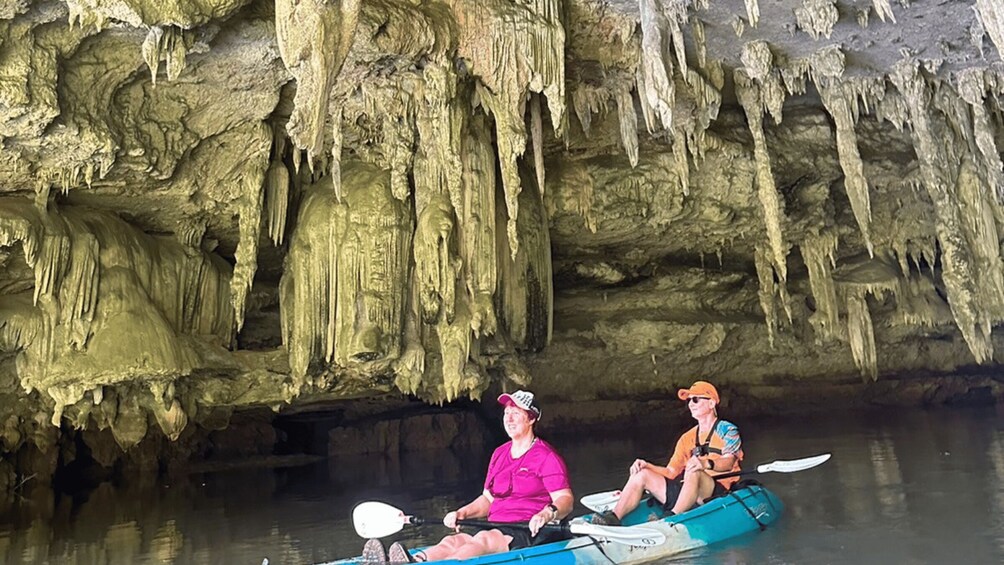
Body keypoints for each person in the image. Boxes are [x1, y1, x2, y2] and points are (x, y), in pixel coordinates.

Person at [362, 390, 574, 563]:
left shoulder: (546, 456)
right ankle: (415, 560)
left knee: (482, 539)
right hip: (496, 525)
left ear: (531, 419)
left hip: (528, 529)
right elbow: (488, 500)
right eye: (506, 412)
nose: (508, 418)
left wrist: (547, 514)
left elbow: (565, 500)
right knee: (454, 541)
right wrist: (461, 512)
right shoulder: (500, 453)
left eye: (516, 413)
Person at [592, 380, 742, 525]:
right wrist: (647, 466)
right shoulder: (686, 438)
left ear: (711, 403)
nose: (690, 404)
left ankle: (671, 519)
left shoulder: (728, 430)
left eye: (695, 399)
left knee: (694, 470)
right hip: (687, 491)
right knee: (642, 473)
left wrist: (705, 463)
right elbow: (671, 472)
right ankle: (613, 518)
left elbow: (728, 463)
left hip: (716, 492)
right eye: (688, 401)